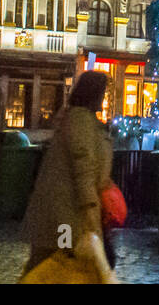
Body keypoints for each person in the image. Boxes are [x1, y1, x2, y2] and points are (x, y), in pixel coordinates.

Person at [21, 70, 113, 277]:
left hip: (61, 215)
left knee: (45, 270)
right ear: (93, 94)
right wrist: (91, 213)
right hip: (66, 219)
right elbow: (84, 170)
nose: (104, 97)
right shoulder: (80, 121)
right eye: (103, 92)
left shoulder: (78, 119)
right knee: (58, 267)